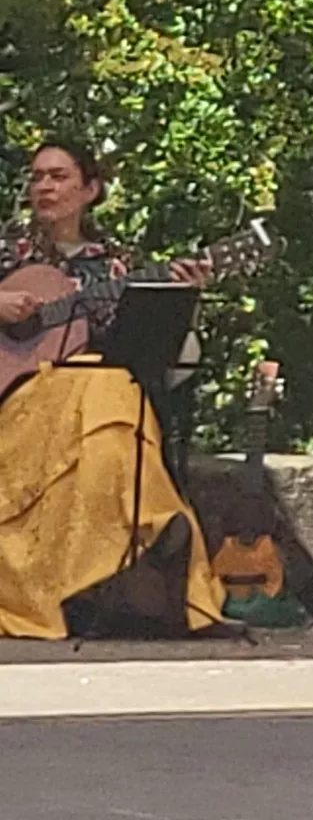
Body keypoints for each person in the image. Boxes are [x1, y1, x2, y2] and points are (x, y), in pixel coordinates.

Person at [0, 140, 224, 639]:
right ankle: (148, 533)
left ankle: (126, 556)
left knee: (116, 400)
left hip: (93, 392)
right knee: (109, 400)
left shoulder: (118, 265)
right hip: (18, 401)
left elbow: (147, 346)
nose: (44, 186)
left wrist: (181, 294)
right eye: (37, 177)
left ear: (90, 190)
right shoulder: (6, 249)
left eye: (58, 176)